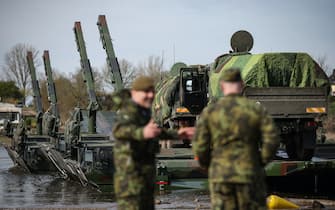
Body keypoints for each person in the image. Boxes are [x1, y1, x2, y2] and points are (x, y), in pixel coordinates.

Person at [192, 68, 279, 210]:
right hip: (249, 173)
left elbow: (200, 146)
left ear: (221, 86)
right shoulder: (255, 110)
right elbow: (272, 139)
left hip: (221, 175)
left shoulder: (210, 112)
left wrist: (209, 165)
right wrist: (260, 162)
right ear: (242, 84)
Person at [112, 75, 195, 210]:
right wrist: (142, 133)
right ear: (135, 93)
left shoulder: (143, 112)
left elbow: (155, 132)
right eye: (146, 92)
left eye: (152, 92)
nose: (150, 95)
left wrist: (178, 134)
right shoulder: (128, 110)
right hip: (130, 180)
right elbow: (120, 130)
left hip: (144, 178)